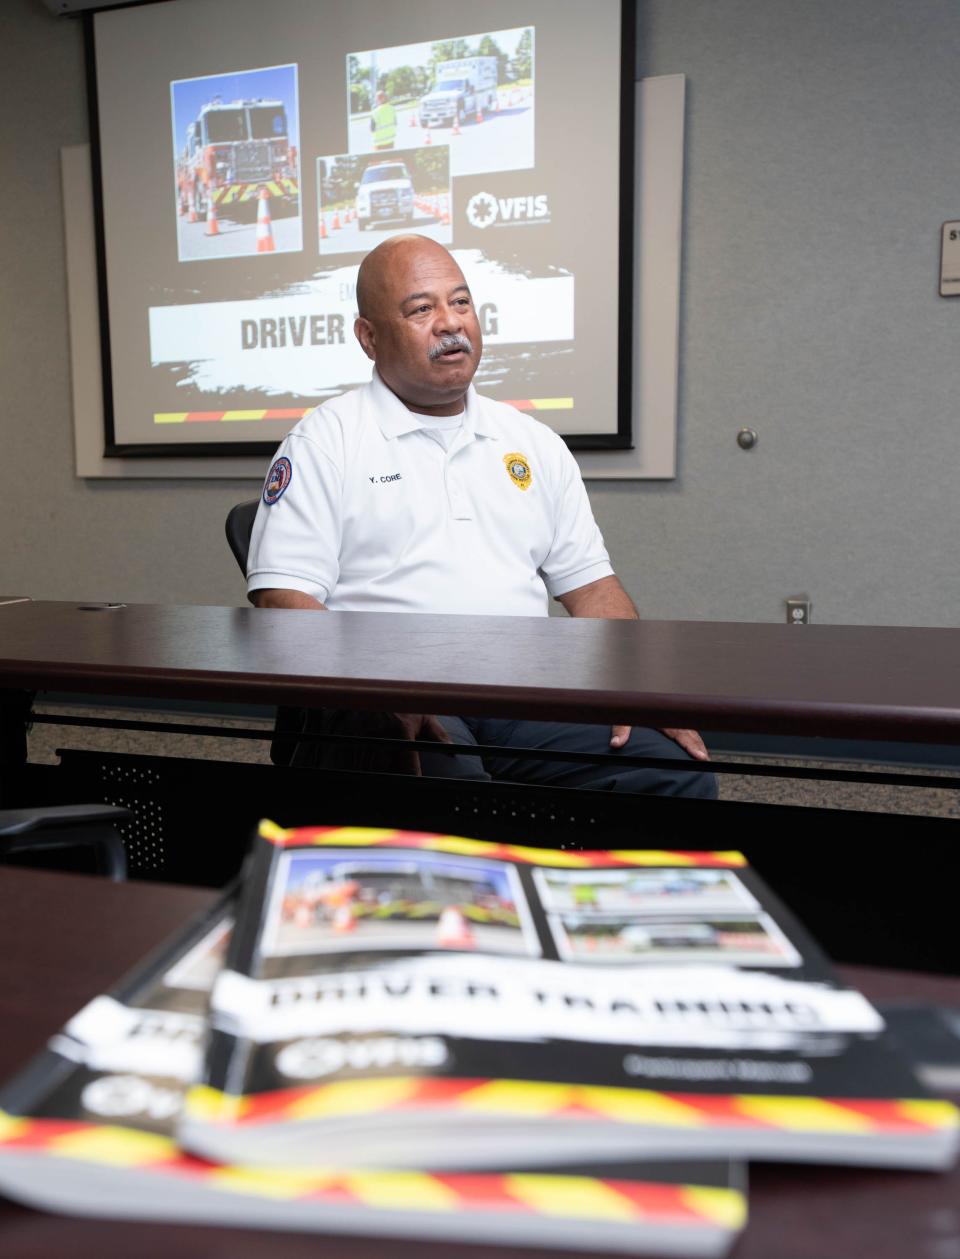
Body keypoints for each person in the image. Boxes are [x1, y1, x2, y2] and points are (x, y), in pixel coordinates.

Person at [248, 235, 716, 800]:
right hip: (393, 698)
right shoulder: (325, 441)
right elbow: (285, 603)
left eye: (461, 303)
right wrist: (370, 692)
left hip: (525, 692)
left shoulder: (532, 442)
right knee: (454, 791)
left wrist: (631, 682)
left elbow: (594, 589)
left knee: (675, 772)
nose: (451, 324)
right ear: (369, 338)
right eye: (421, 309)